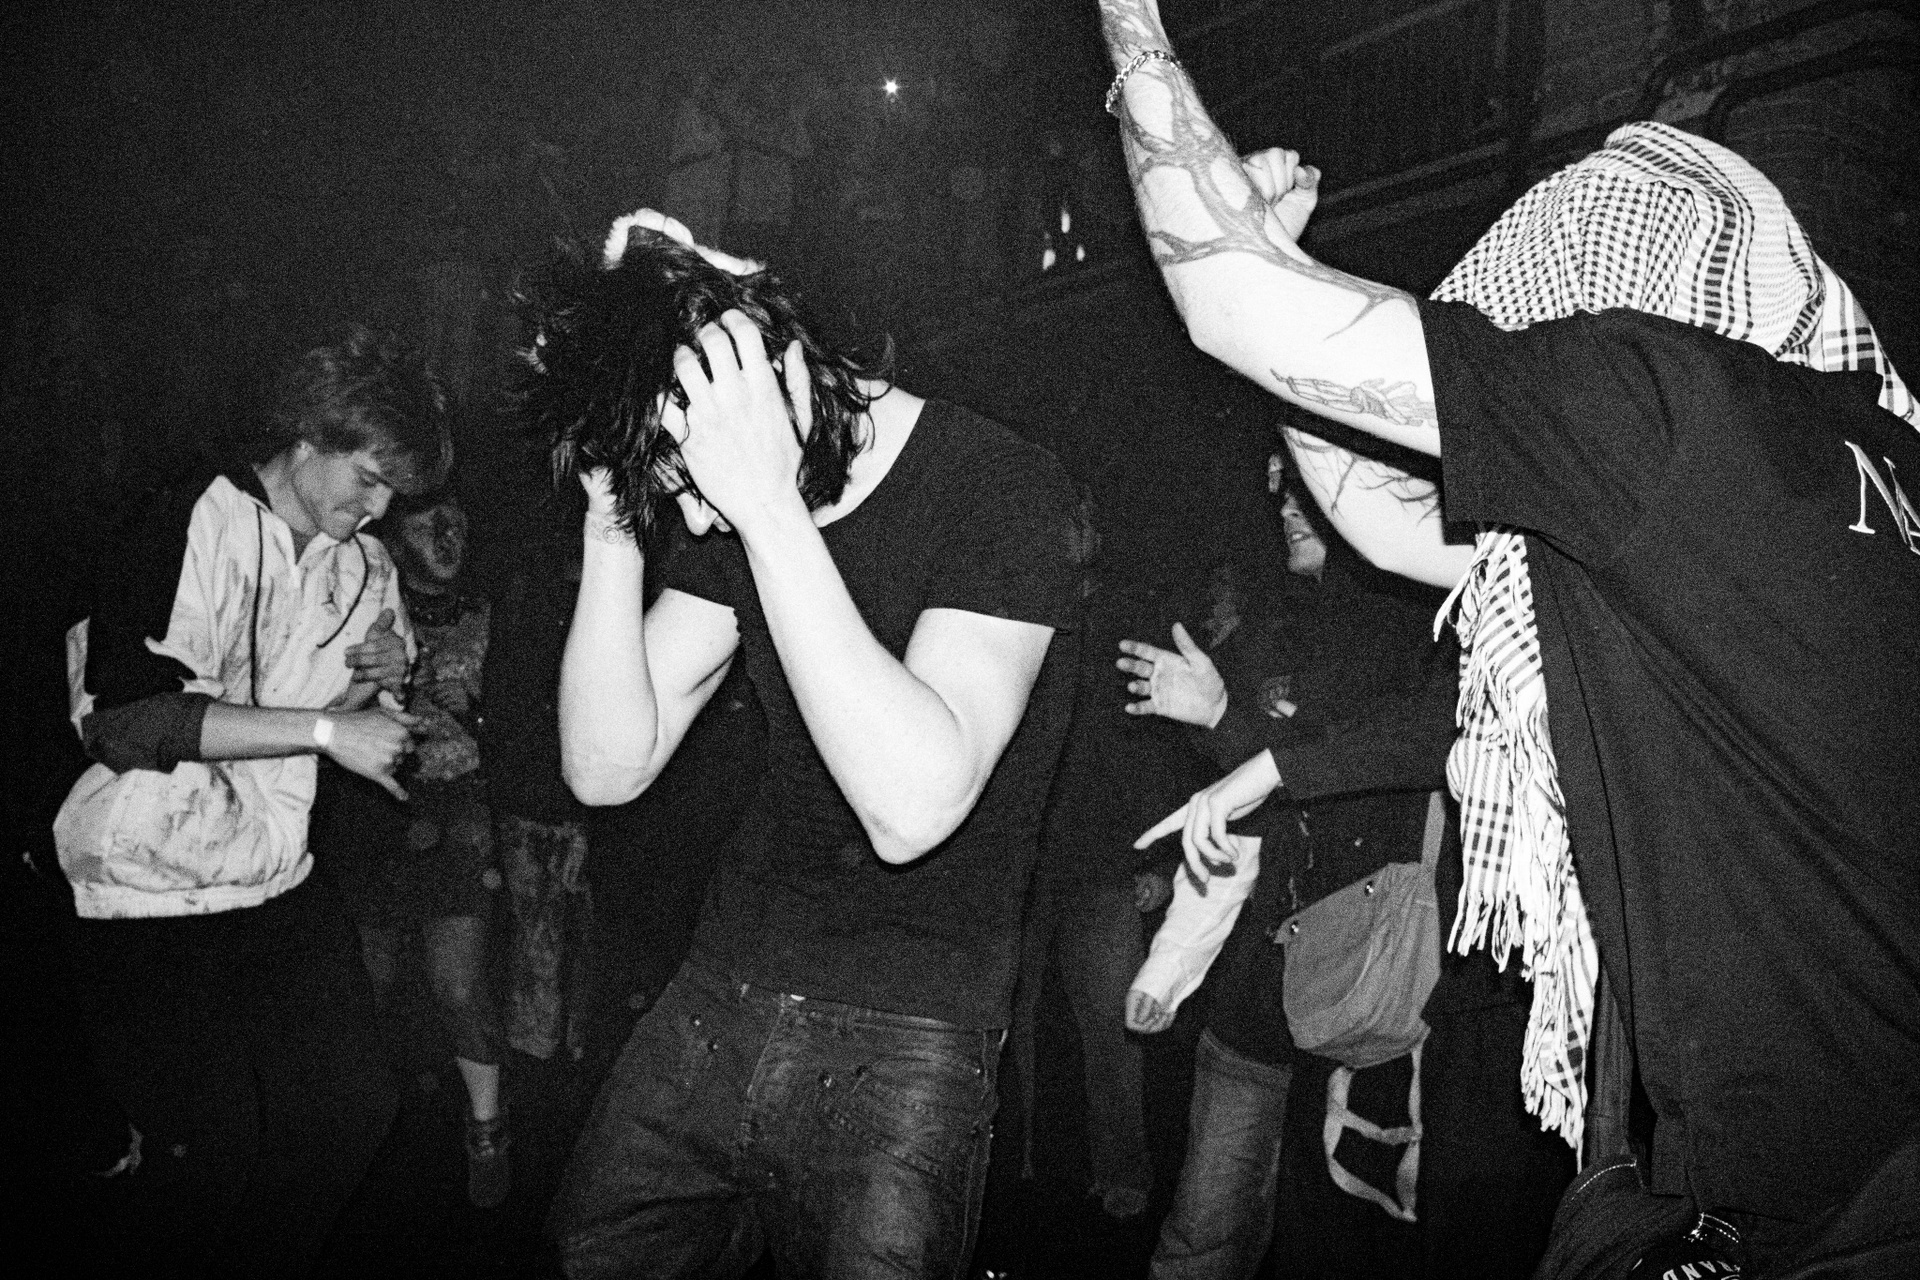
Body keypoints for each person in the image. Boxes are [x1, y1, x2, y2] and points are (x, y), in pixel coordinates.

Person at [1098, 1, 1919, 1270]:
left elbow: (1233, 306)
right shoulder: (1853, 455)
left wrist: (1132, 27)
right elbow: (1398, 532)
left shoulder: (1661, 412)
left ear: (1620, 283)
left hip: (1817, 1200)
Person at [537, 211, 1087, 1278]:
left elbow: (913, 806)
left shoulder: (1002, 486)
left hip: (911, 1028)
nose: (697, 525)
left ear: (760, 380)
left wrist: (766, 507)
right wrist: (612, 515)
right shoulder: (735, 509)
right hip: (721, 985)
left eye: (691, 481)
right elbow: (606, 765)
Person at [52, 323, 451, 1277]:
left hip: (274, 878)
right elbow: (123, 725)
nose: (379, 509)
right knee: (210, 1153)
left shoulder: (365, 567)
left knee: (354, 1109)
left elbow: (355, 719)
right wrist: (329, 732)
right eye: (369, 479)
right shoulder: (189, 514)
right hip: (145, 887)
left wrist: (384, 683)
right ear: (311, 434)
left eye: (395, 494)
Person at [334, 490, 510, 1208]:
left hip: (460, 810)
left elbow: (528, 722)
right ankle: (367, 1137)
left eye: (457, 519)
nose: (447, 534)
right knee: (367, 984)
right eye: (429, 521)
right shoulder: (360, 603)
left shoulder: (498, 613)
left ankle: (488, 1131)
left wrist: (479, 720)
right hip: (374, 811)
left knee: (458, 985)